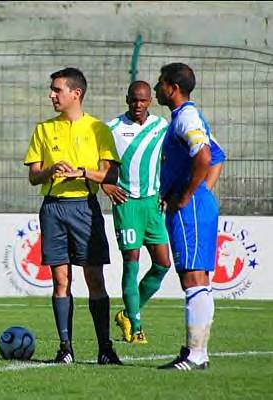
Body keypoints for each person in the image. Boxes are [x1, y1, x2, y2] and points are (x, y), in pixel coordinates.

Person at [24, 67, 122, 365]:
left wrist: (81, 172)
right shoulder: (43, 129)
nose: (52, 95)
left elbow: (111, 173)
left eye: (57, 90)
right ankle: (65, 348)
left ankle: (105, 348)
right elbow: (33, 176)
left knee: (94, 277)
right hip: (53, 208)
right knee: (60, 279)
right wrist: (50, 171)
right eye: (52, 90)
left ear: (75, 93)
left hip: (84, 206)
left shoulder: (98, 129)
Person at [154, 63, 226, 370]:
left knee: (194, 278)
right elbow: (218, 154)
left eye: (160, 84)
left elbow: (206, 157)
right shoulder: (183, 118)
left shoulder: (186, 116)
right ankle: (197, 351)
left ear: (172, 87)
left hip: (190, 207)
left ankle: (196, 355)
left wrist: (188, 195)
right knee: (196, 279)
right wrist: (202, 191)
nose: (158, 89)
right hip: (195, 204)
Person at [103, 81, 171, 344]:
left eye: (143, 100)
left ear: (150, 101)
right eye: (134, 100)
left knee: (163, 264)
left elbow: (169, 160)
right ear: (127, 99)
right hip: (127, 203)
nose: (138, 105)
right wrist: (105, 184)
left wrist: (167, 189)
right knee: (131, 262)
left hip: (153, 203)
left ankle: (127, 313)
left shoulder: (161, 127)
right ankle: (137, 325)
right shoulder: (113, 128)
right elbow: (99, 162)